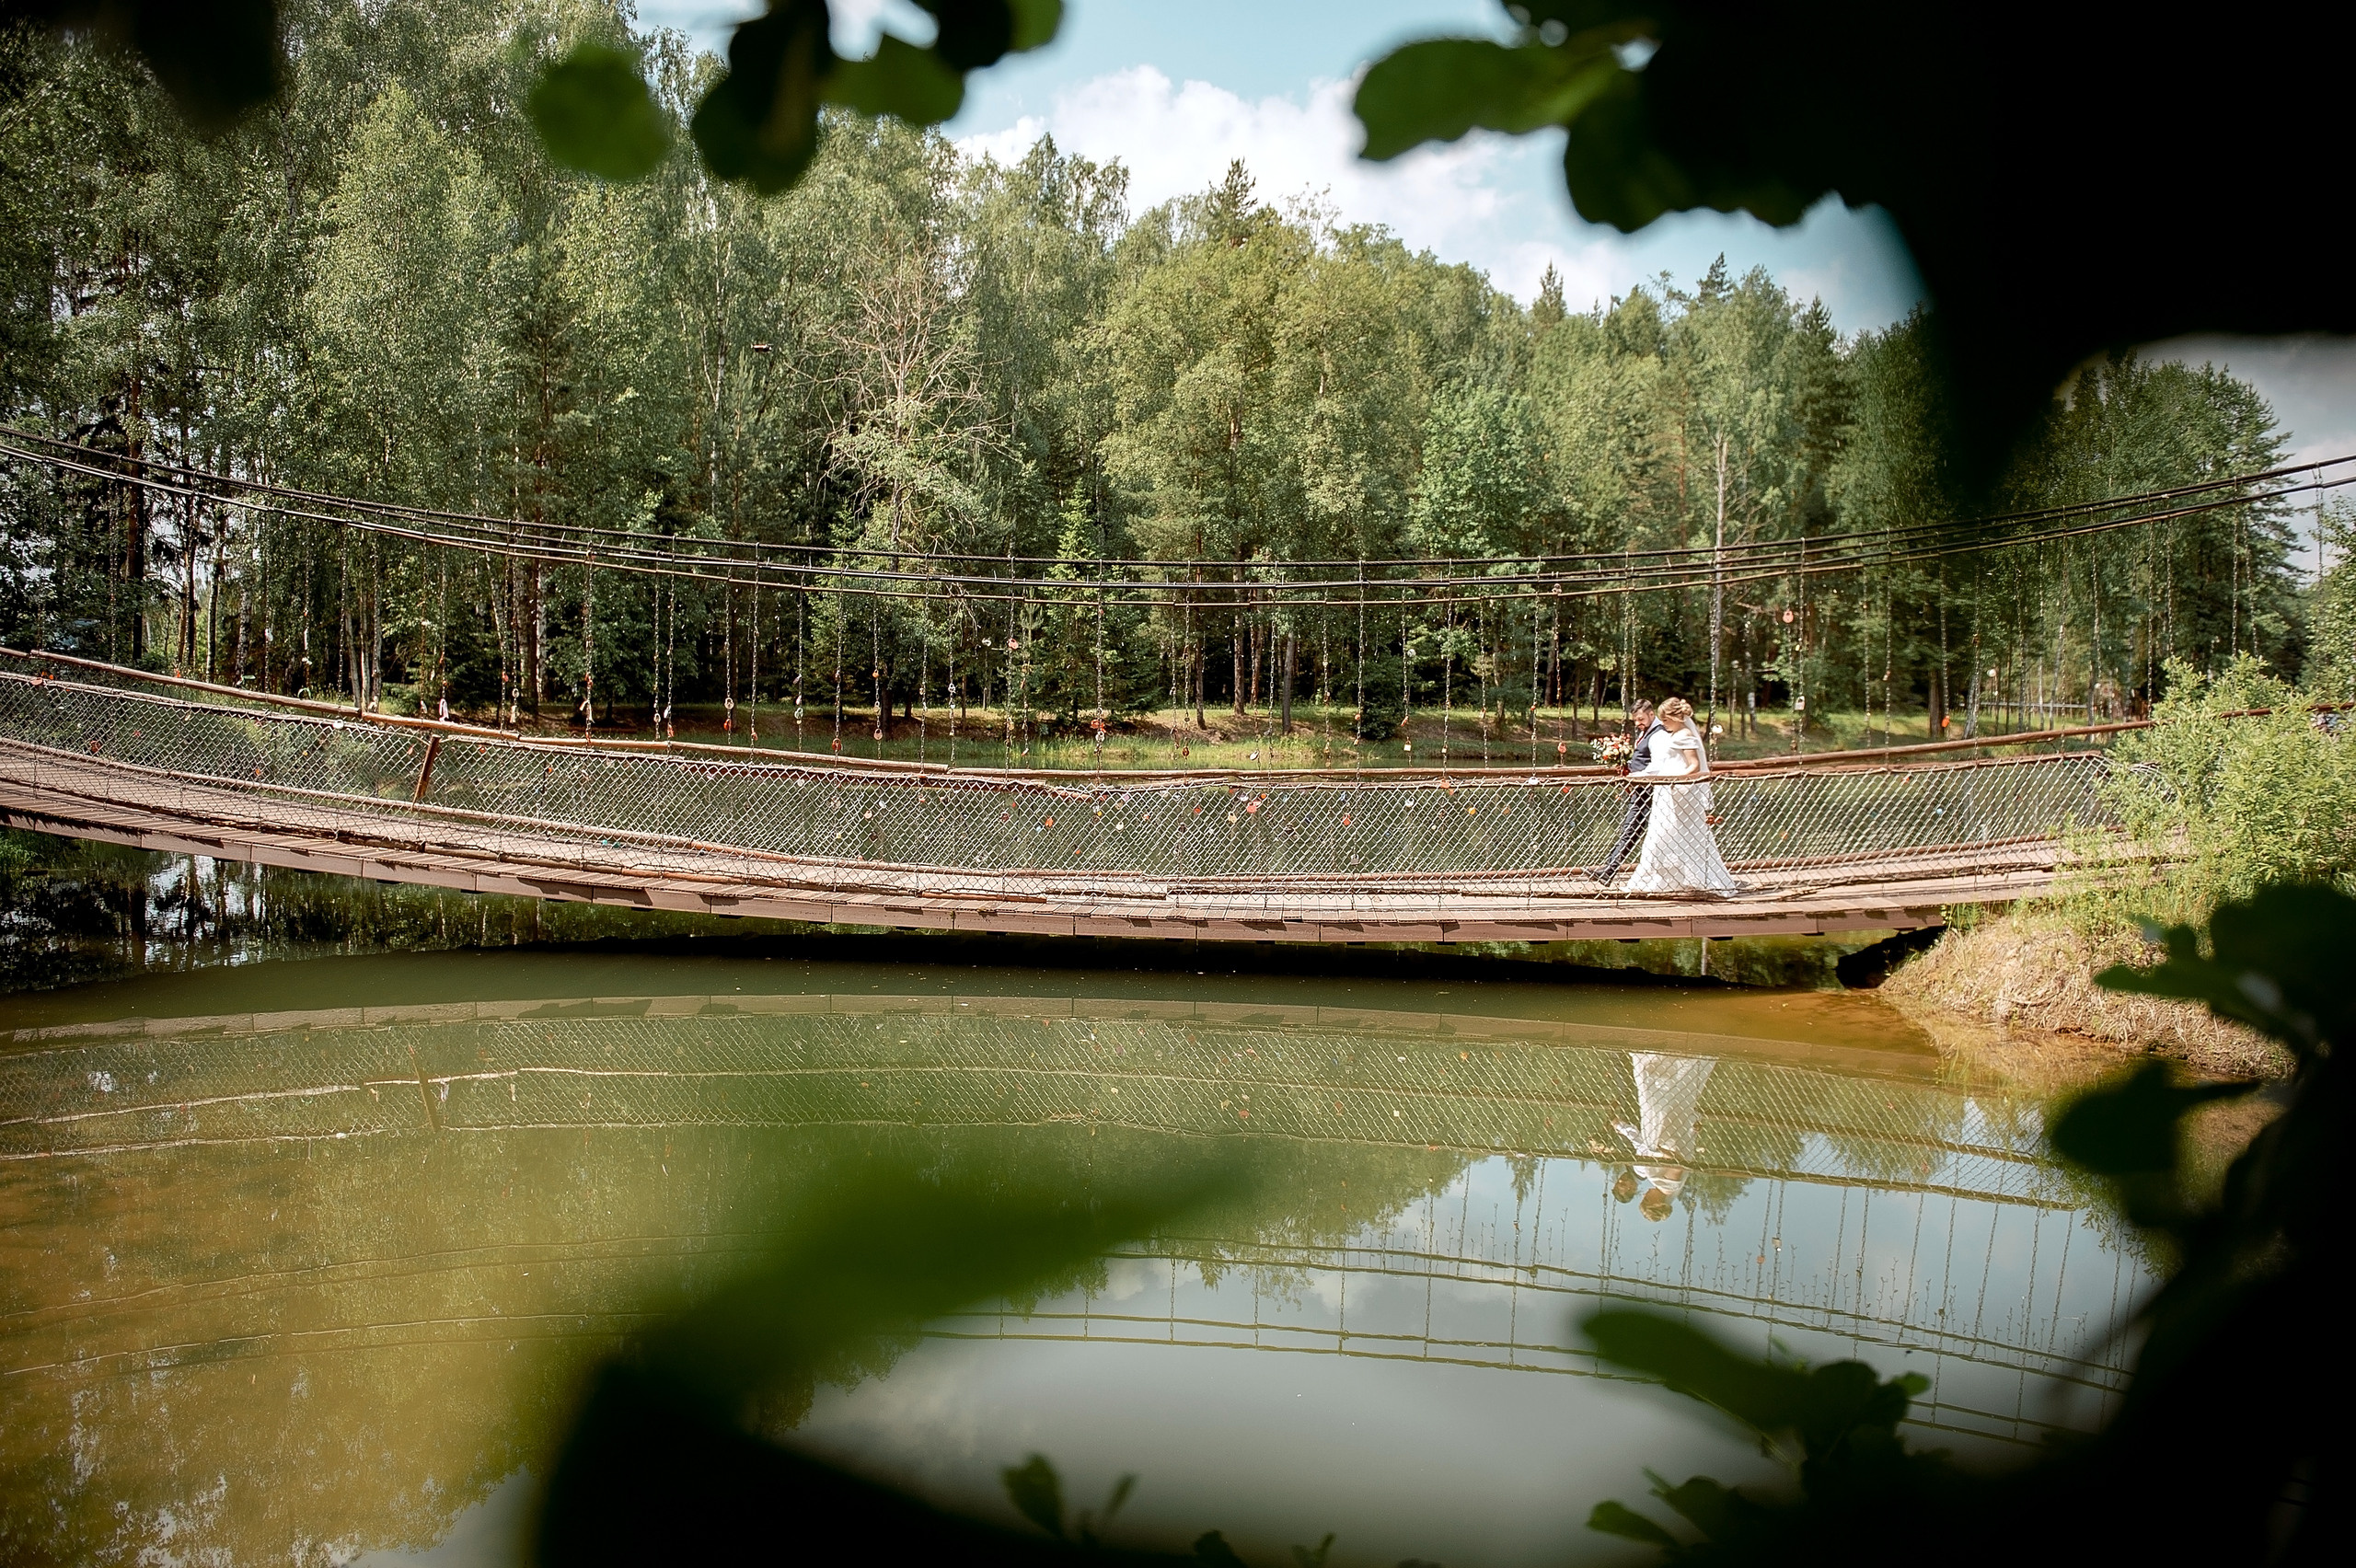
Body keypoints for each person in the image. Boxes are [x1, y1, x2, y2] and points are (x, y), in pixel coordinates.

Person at [1623, 696, 1738, 895]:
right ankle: (1667, 878)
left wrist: (1675, 779)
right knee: (1662, 833)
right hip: (1666, 790)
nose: (1663, 724)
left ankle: (1692, 877)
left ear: (1677, 718)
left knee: (1681, 832)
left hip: (1679, 789)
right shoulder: (1673, 734)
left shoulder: (1684, 735)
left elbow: (1694, 765)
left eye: (1665, 720)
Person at [1611, 1051, 1716, 1222]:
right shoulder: (1667, 1187)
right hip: (1666, 1140)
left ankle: (1671, 1064)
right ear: (1655, 1202)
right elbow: (1677, 1166)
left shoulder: (1663, 1186)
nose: (1644, 1194)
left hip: (1669, 1137)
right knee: (1657, 1096)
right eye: (1646, 1199)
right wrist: (1658, 1151)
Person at [1591, 698, 1662, 883]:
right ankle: (1609, 870)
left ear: (1651, 715)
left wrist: (1634, 777)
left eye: (1641, 719)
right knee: (1630, 829)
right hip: (1640, 790)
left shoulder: (1658, 734)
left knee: (1642, 830)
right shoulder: (1646, 732)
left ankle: (1611, 869)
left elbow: (1657, 765)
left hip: (1650, 790)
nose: (1638, 724)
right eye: (1635, 720)